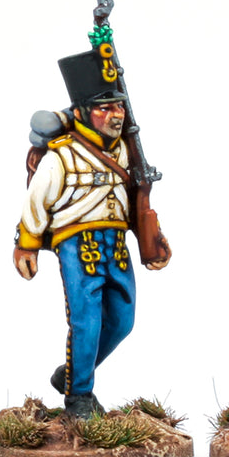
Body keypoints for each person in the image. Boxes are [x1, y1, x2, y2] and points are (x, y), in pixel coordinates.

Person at [13, 46, 170, 418]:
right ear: (82, 112)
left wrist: (153, 238)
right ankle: (79, 395)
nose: (116, 115)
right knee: (86, 322)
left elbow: (136, 200)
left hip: (116, 245)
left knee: (122, 320)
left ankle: (71, 374)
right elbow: (36, 201)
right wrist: (27, 245)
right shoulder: (62, 155)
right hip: (77, 245)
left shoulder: (126, 152)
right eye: (105, 108)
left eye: (119, 107)